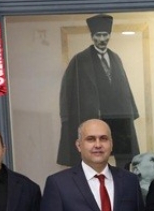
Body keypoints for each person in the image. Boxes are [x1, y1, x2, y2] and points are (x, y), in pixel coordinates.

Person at [40, 119, 146, 211]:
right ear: (78, 145)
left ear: (111, 144)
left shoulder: (130, 181)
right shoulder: (59, 184)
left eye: (103, 139)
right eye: (90, 139)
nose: (98, 145)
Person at [57, 14, 140, 170]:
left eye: (105, 35)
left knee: (124, 160)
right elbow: (66, 92)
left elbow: (125, 88)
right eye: (98, 35)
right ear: (92, 36)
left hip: (118, 119)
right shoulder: (80, 60)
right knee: (91, 158)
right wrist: (66, 118)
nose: (102, 39)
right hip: (91, 118)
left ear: (109, 35)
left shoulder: (115, 58)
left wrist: (131, 113)